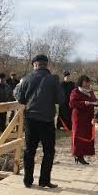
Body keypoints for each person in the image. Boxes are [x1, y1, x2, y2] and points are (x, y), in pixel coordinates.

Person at [17, 54, 64, 188]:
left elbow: (20, 99)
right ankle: (44, 180)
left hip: (31, 119)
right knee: (48, 151)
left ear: (35, 64)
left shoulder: (26, 78)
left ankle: (27, 180)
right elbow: (60, 99)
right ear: (46, 64)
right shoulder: (53, 79)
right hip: (47, 120)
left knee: (29, 151)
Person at [69, 75, 98, 165]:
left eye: (88, 82)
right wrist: (84, 103)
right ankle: (78, 155)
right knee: (78, 136)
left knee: (86, 136)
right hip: (78, 117)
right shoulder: (75, 91)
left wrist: (96, 102)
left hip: (88, 118)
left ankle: (83, 154)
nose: (87, 84)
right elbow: (72, 103)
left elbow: (94, 99)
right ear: (81, 82)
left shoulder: (90, 92)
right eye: (85, 82)